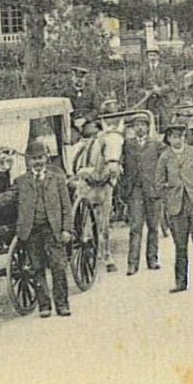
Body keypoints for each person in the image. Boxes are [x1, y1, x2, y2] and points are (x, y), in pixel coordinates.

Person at [11, 138, 74, 318]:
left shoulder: (58, 179)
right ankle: (44, 306)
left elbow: (66, 206)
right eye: (33, 158)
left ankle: (62, 304)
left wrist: (67, 229)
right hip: (32, 231)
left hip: (53, 229)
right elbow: (6, 197)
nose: (37, 162)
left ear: (47, 158)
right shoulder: (21, 181)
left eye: (40, 157)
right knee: (36, 268)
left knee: (58, 266)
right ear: (28, 161)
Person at [156, 123, 193, 293]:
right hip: (177, 208)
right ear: (168, 139)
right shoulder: (165, 157)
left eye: (180, 136)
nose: (177, 140)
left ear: (184, 138)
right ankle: (181, 283)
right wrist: (169, 198)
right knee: (180, 247)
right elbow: (159, 183)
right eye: (174, 137)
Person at [73, 112, 122, 273]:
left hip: (94, 126)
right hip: (80, 131)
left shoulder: (94, 99)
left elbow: (95, 111)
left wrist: (88, 119)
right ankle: (87, 241)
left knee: (105, 220)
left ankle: (107, 252)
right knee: (75, 150)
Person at [119, 113, 166, 274]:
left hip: (153, 190)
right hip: (135, 191)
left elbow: (165, 164)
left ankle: (152, 259)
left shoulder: (157, 145)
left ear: (147, 127)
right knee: (135, 227)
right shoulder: (127, 145)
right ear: (133, 128)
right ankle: (132, 264)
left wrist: (162, 184)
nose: (139, 128)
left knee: (153, 226)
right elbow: (120, 164)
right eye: (136, 125)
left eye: (142, 125)